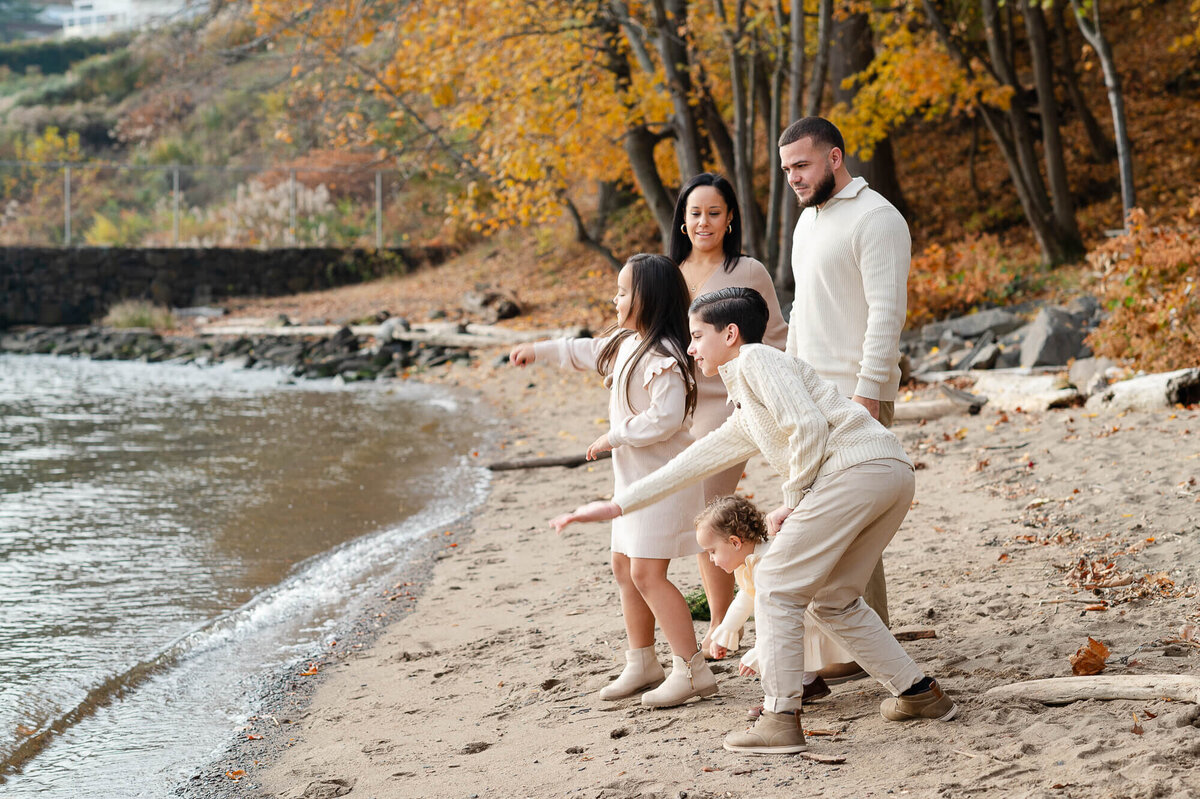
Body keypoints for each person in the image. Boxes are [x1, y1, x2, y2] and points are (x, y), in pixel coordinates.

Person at [551, 287, 955, 755]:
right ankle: (919, 693)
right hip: (887, 471)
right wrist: (618, 506)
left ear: (731, 333)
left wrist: (792, 498)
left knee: (778, 584)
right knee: (835, 600)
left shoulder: (755, 359)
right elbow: (691, 462)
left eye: (698, 336)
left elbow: (807, 426)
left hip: (857, 470)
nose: (691, 348)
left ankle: (780, 718)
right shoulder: (747, 402)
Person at [509, 253, 717, 708]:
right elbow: (582, 350)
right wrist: (539, 349)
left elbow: (664, 419)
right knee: (623, 567)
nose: (616, 298)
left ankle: (693, 670)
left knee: (647, 573)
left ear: (650, 298)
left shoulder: (665, 357)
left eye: (624, 291)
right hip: (632, 482)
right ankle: (642, 660)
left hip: (663, 483)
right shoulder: (627, 343)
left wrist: (613, 436)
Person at [779, 116, 912, 680]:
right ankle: (853, 640)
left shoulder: (876, 217)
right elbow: (804, 315)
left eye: (802, 166)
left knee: (842, 520)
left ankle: (854, 642)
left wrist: (869, 395)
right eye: (787, 170)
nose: (794, 179)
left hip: (855, 396)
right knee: (838, 523)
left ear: (834, 158)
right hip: (808, 396)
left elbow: (887, 312)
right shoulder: (808, 223)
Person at [668, 173, 788, 658]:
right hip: (677, 410)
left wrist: (751, 391)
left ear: (730, 217)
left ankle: (723, 621)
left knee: (707, 505)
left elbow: (776, 337)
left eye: (714, 212)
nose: (704, 222)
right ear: (681, 220)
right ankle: (726, 614)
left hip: (731, 405)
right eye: (695, 213)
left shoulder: (749, 271)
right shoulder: (668, 273)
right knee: (698, 516)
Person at [696, 495, 833, 710]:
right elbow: (746, 596)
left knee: (778, 648)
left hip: (808, 612)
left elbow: (775, 619)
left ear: (734, 542)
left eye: (712, 552)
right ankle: (808, 683)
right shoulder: (752, 557)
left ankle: (778, 702)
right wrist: (725, 632)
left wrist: (758, 654)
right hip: (797, 613)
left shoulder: (767, 562)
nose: (711, 560)